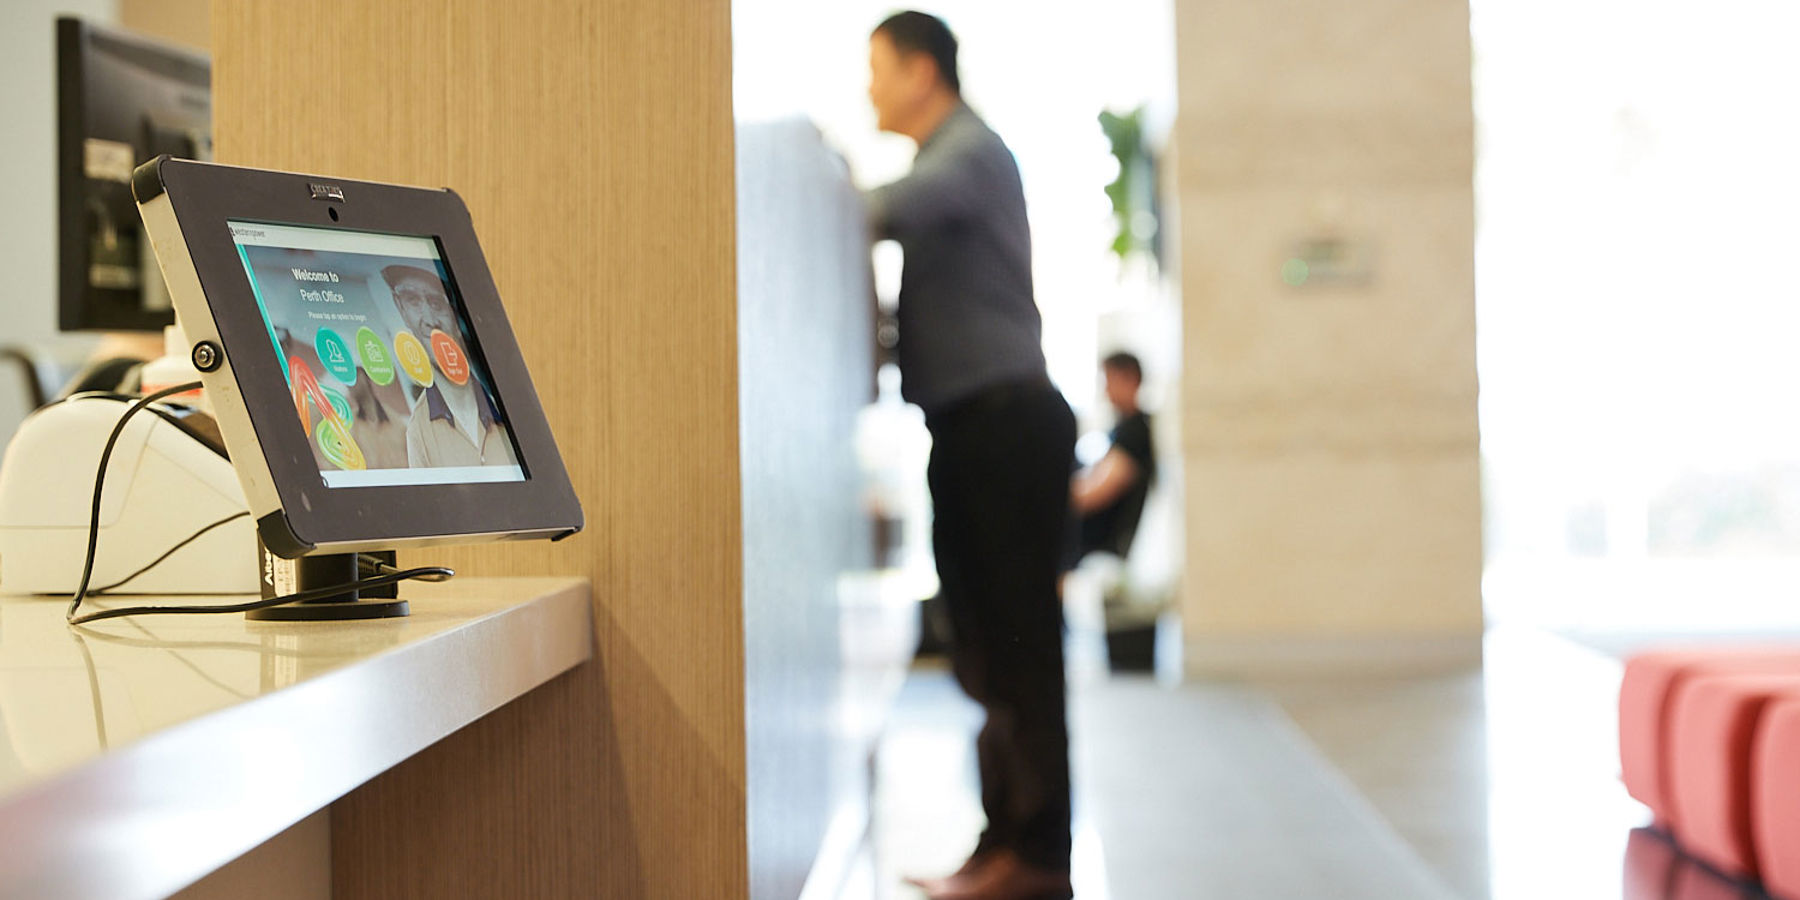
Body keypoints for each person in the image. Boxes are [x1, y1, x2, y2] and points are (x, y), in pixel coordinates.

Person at [865, 12, 1076, 900]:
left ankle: (1035, 859)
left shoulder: (970, 152)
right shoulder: (945, 158)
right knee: (989, 653)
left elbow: (883, 212)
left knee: (1021, 654)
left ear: (922, 72)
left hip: (1007, 431)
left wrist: (812, 186)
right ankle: (1004, 847)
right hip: (970, 433)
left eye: (876, 69)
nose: (869, 89)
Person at [382, 265, 517, 469]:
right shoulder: (418, 430)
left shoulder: (506, 402)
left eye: (436, 303)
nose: (429, 320)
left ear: (455, 315)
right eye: (413, 301)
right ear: (401, 309)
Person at [1070, 352, 1157, 563]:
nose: (1106, 390)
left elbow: (1096, 491)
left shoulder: (1135, 432)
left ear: (1130, 379)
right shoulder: (1121, 429)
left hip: (1100, 554)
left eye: (1109, 380)